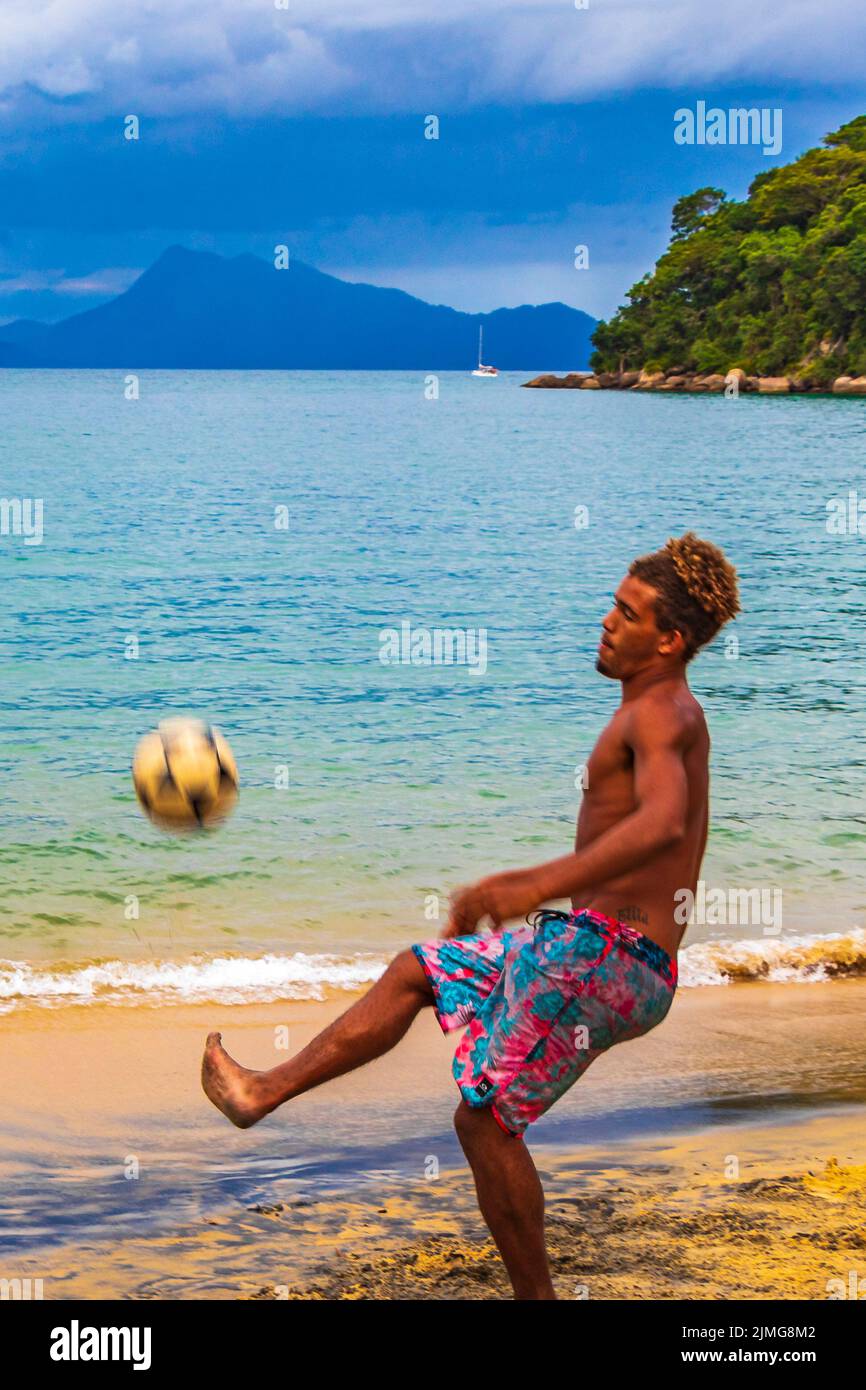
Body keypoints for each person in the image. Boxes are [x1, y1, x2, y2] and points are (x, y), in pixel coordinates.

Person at [202, 531, 741, 1300]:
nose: (607, 621)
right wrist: (539, 897)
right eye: (611, 605)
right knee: (416, 972)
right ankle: (261, 1093)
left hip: (610, 957)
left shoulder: (661, 712)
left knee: (484, 1122)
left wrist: (533, 884)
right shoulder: (659, 710)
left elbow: (660, 823)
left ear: (670, 638)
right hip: (591, 947)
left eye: (627, 613)